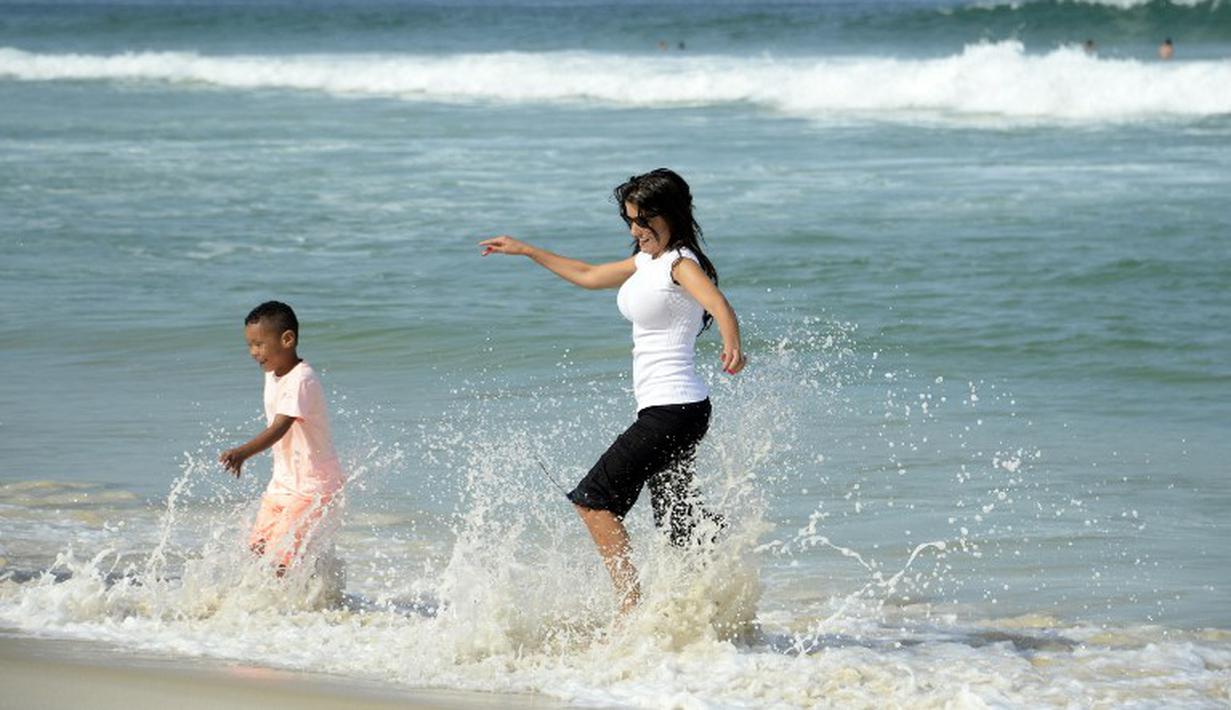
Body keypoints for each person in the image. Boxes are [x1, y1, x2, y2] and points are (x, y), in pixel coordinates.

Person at [479, 169, 746, 615]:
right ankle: (713, 605)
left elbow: (718, 303)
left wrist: (731, 343)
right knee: (678, 523)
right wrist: (527, 250)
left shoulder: (681, 263)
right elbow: (588, 274)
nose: (636, 231)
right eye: (630, 221)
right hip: (675, 410)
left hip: (673, 409)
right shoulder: (647, 262)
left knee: (593, 500)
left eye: (644, 221)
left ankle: (630, 608)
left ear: (671, 215)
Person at [219, 301, 344, 573]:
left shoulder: (302, 379)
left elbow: (280, 427)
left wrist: (242, 453)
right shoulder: (274, 373)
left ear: (287, 340)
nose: (253, 352)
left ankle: (299, 598)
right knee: (258, 549)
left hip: (312, 485)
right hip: (284, 482)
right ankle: (302, 592)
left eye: (259, 344)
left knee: (281, 559)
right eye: (250, 345)